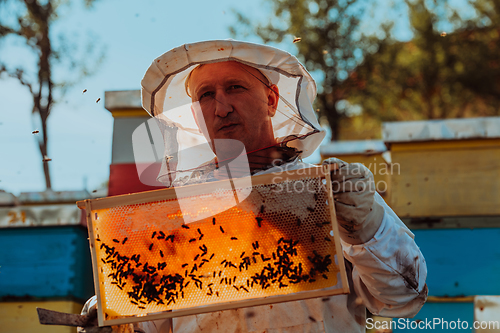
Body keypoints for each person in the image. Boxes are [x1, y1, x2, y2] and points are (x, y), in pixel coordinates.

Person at [79, 40, 427, 333]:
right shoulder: (177, 212)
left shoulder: (331, 191)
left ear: (272, 99)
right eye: (205, 95)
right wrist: (112, 314)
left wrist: (367, 230)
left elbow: (403, 299)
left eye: (235, 87)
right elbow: (149, 322)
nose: (221, 106)